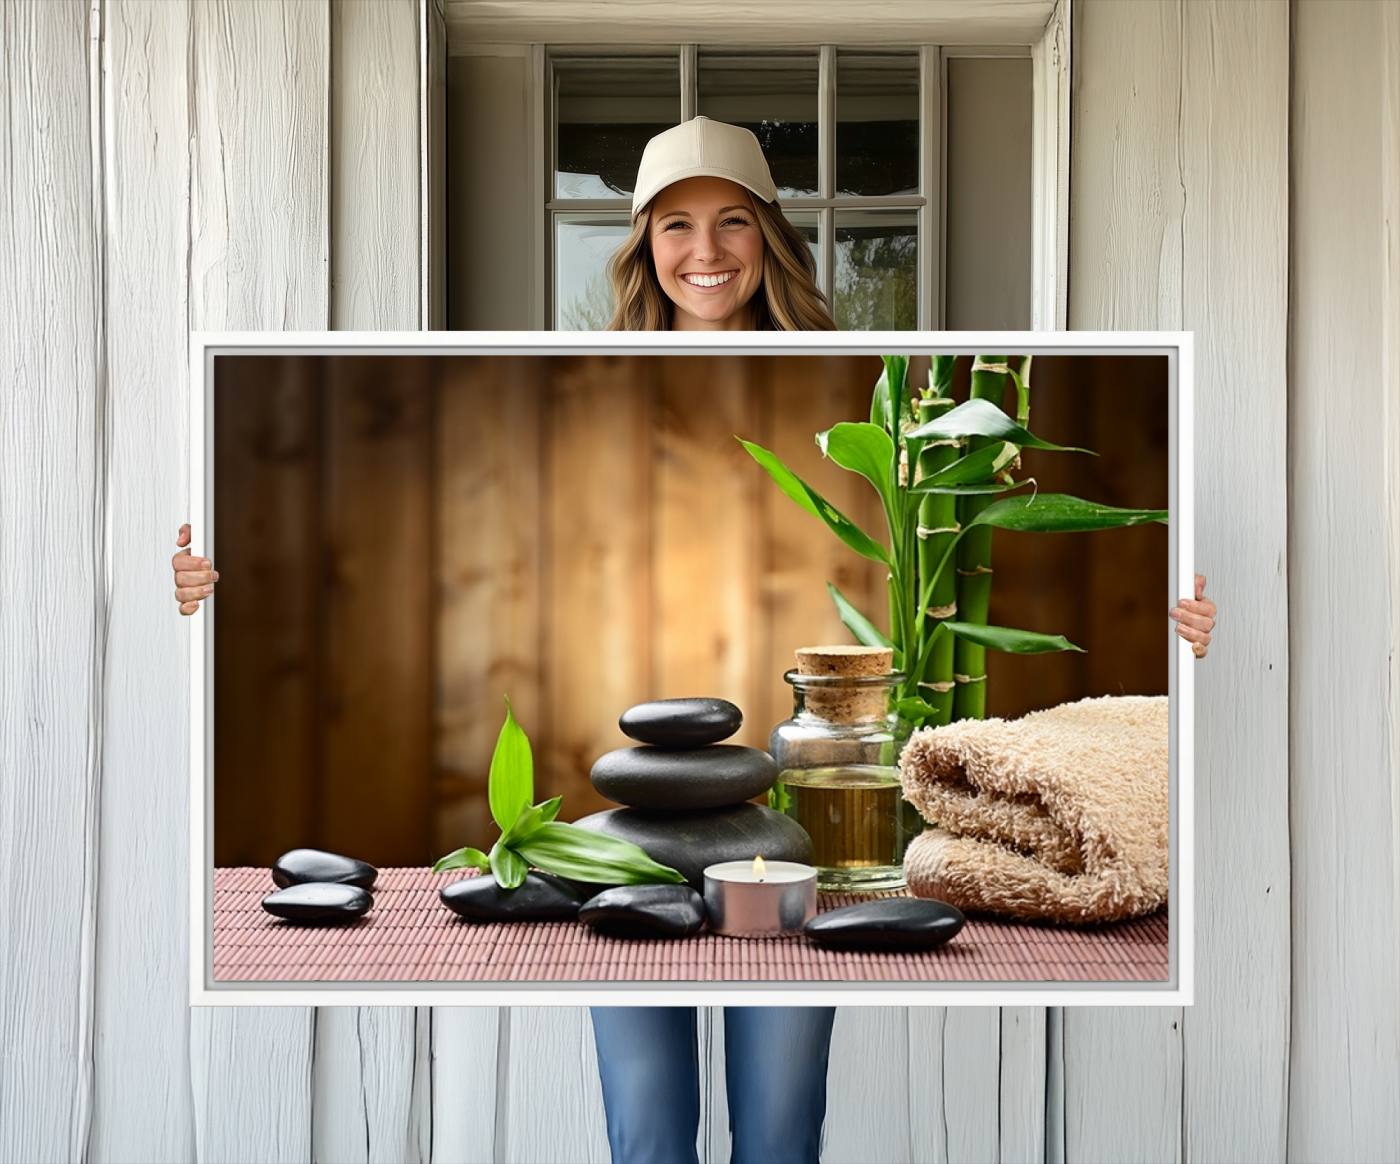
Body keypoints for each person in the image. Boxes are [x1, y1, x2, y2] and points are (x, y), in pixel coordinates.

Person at [168, 115, 1218, 1164]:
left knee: (778, 1137)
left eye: (730, 223)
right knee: (645, 1140)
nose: (704, 252)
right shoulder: (569, 372)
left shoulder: (883, 393)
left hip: (809, 828)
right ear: (640, 245)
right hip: (628, 838)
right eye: (674, 225)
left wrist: (1190, 634)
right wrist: (198, 590)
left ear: (769, 236)